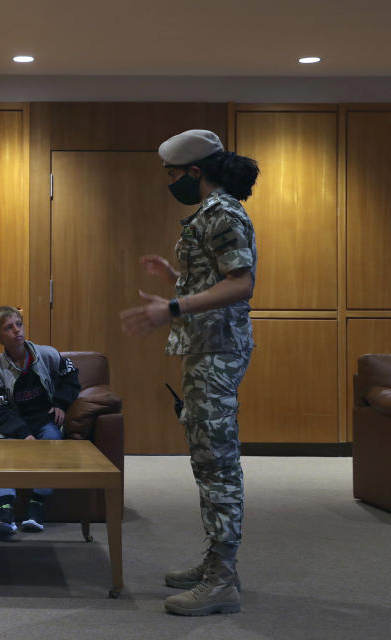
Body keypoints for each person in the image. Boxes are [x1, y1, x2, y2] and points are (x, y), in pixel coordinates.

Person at [119, 129, 258, 616]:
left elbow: (241, 284)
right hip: (207, 349)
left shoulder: (221, 213)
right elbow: (216, 281)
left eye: (173, 175)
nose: (170, 183)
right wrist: (175, 279)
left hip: (217, 351)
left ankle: (222, 578)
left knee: (217, 464)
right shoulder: (207, 214)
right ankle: (217, 563)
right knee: (206, 460)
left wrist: (173, 305)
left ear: (196, 172)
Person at [0, 306, 80, 536]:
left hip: (44, 421)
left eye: (19, 324)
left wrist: (60, 403)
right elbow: (1, 410)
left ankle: (36, 505)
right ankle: (5, 510)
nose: (17, 330)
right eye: (9, 328)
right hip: (15, 426)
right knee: (4, 452)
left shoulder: (46, 354)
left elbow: (72, 377)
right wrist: (22, 433)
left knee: (52, 442)